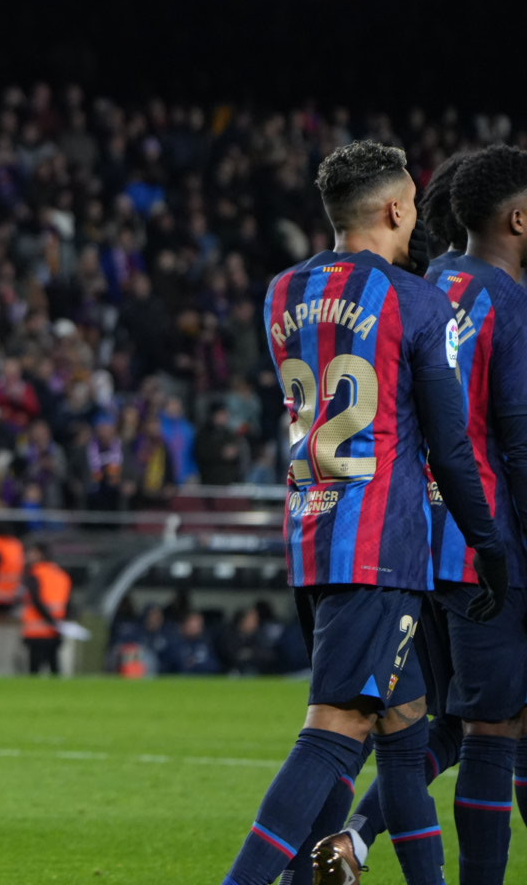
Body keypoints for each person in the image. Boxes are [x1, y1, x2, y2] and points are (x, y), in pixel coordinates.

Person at [223, 141, 508, 885]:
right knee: (336, 729)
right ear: (393, 209)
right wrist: (489, 540)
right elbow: (449, 442)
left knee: (406, 732)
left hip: (311, 529)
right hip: (382, 543)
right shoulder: (417, 299)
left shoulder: (282, 290)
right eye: (412, 208)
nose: (417, 221)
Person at [333, 146, 527, 885]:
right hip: (486, 545)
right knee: (492, 729)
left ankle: (353, 837)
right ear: (515, 218)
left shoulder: (425, 284)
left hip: (418, 543)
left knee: (450, 721)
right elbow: (514, 438)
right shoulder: (506, 302)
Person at [20, 542, 71, 676]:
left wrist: (50, 620)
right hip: (55, 630)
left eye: (31, 552)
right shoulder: (62, 574)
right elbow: (68, 603)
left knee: (34, 670)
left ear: (40, 554)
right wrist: (58, 623)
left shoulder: (35, 574)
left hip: (37, 631)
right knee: (54, 667)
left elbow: (36, 601)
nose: (28, 556)